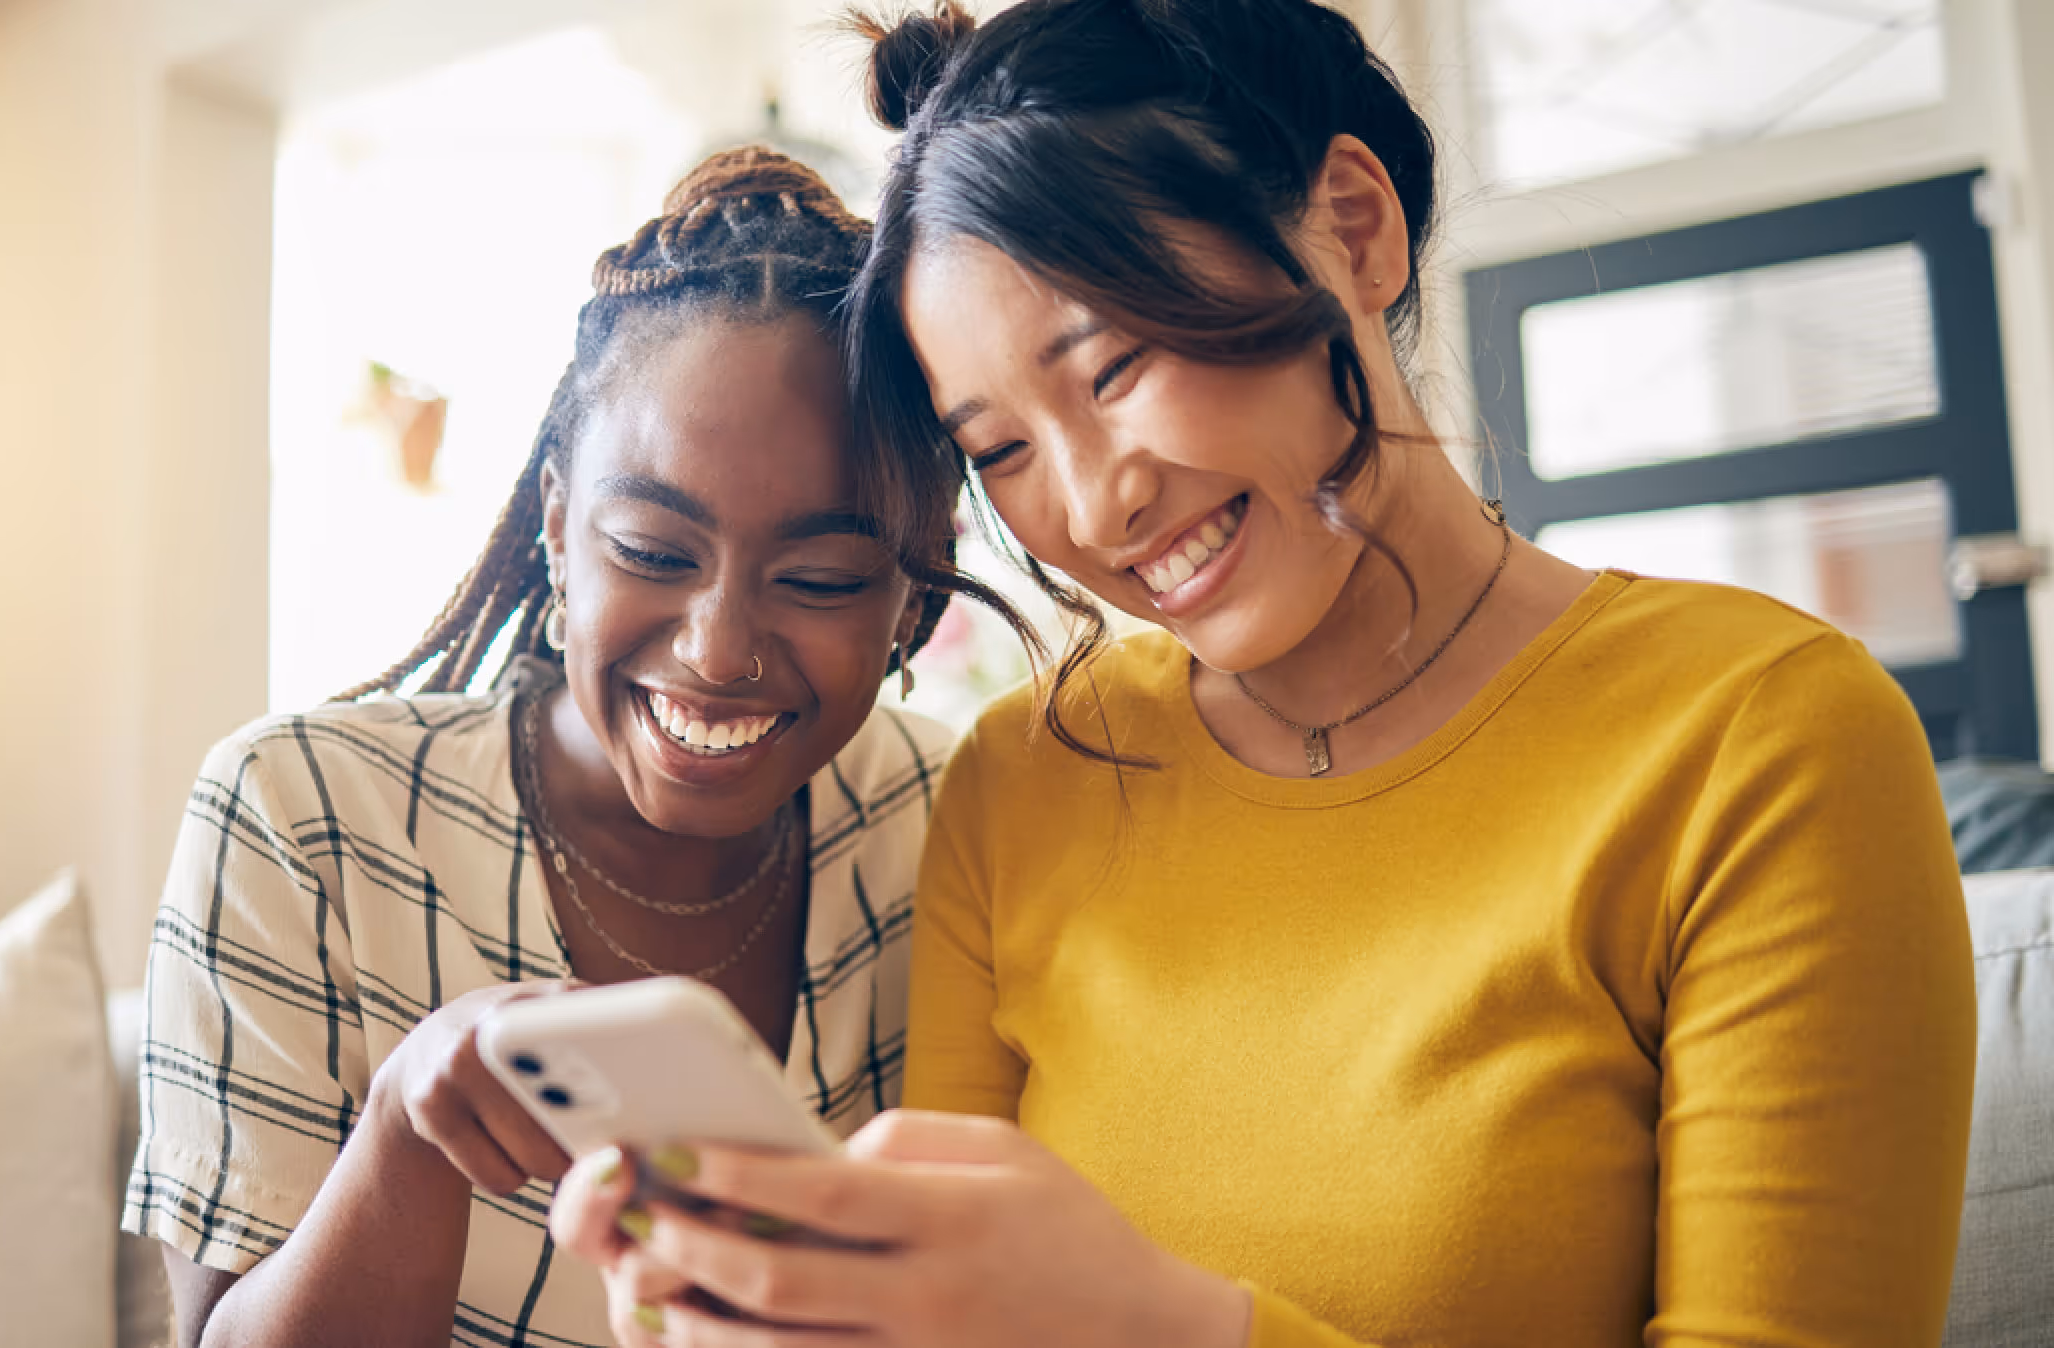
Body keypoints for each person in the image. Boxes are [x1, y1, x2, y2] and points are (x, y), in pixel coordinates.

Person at [547, 3, 1979, 1345]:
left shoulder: (1759, 739)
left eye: (1112, 367)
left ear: (1354, 229)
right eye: (1001, 450)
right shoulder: (1028, 776)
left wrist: (1161, 1321)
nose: (1095, 507)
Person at [124, 147, 1031, 1348]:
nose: (716, 652)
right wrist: (405, 1126)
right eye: (654, 552)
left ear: (912, 596)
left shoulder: (944, 822)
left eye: (818, 578)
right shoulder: (298, 816)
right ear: (557, 527)